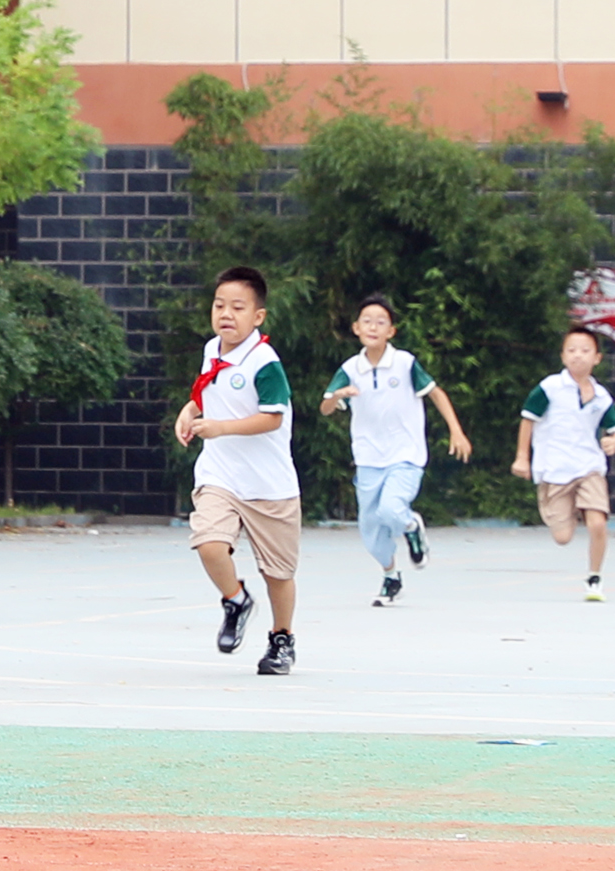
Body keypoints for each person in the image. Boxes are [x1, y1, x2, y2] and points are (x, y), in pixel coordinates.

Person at [176, 266, 300, 676]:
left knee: (278, 574)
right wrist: (190, 410)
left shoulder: (265, 363)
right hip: (220, 474)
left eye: (237, 307)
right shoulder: (213, 349)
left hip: (269, 484)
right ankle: (235, 599)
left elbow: (272, 419)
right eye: (219, 305)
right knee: (209, 543)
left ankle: (281, 638)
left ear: (258, 317)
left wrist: (220, 427)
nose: (226, 314)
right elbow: (207, 388)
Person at [320, 296, 471, 606]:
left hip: (406, 454)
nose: (373, 326)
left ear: (391, 331)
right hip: (368, 458)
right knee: (370, 529)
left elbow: (436, 393)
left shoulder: (404, 363)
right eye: (367, 320)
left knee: (392, 509)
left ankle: (412, 526)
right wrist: (338, 396)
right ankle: (391, 577)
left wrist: (456, 431)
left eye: (381, 322)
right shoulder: (350, 368)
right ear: (355, 328)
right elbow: (325, 407)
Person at [513, 325, 615, 601]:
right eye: (572, 350)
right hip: (554, 469)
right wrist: (522, 457)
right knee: (562, 536)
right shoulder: (549, 388)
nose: (578, 356)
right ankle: (571, 508)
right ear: (563, 356)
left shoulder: (601, 397)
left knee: (598, 523)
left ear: (597, 358)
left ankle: (595, 578)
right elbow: (528, 419)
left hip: (589, 467)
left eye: (585, 351)